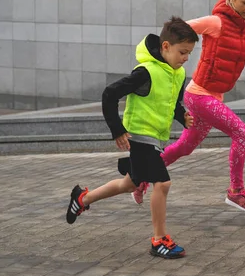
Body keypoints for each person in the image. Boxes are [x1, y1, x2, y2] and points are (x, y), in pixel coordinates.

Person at [131, 0, 245, 212]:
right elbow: (178, 31)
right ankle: (236, 192)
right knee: (242, 133)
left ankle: (139, 178)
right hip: (199, 95)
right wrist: (161, 58)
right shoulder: (215, 22)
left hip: (214, 96)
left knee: (185, 147)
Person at [66, 17, 199, 259]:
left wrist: (182, 117)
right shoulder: (145, 72)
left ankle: (82, 198)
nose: (185, 58)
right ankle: (159, 240)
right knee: (163, 183)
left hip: (156, 138)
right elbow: (109, 94)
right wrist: (117, 129)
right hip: (140, 136)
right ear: (166, 46)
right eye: (182, 52)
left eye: (189, 53)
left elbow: (172, 104)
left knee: (129, 184)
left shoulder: (177, 74)